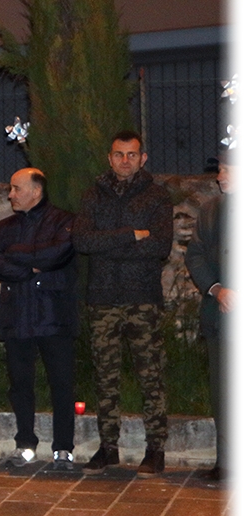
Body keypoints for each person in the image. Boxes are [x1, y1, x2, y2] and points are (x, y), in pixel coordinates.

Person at [73, 131, 173, 477]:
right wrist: (130, 235)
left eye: (132, 154)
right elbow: (82, 241)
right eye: (119, 154)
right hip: (102, 298)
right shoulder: (93, 195)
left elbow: (160, 246)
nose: (125, 161)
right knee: (105, 376)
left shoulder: (157, 196)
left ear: (142, 158)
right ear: (109, 157)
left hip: (143, 298)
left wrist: (108, 246)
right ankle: (108, 447)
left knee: (151, 375)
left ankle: (156, 449)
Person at [0, 168, 79, 471]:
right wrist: (30, 267)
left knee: (61, 384)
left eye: (16, 189)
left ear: (36, 191)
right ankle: (25, 443)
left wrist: (15, 255)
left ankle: (63, 448)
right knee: (20, 384)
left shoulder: (64, 221)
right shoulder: (5, 226)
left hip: (53, 315)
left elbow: (57, 254)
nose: (10, 195)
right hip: (17, 316)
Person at [185, 157, 231, 482]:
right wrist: (217, 289)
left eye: (227, 169)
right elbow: (195, 254)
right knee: (222, 393)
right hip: (220, 316)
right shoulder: (211, 209)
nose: (219, 176)